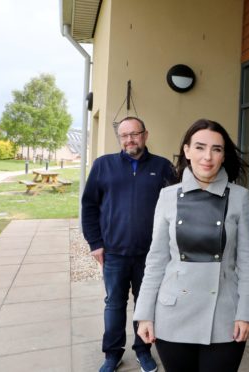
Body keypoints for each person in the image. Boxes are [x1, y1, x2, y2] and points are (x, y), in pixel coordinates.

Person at [133, 119, 249, 372]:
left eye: (217, 149)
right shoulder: (168, 196)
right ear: (187, 151)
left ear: (224, 156)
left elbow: (247, 263)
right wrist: (144, 313)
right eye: (200, 147)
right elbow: (156, 260)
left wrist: (247, 312)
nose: (208, 157)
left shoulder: (239, 197)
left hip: (224, 316)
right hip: (173, 314)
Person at [82, 116, 175, 372]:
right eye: (124, 135)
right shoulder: (103, 165)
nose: (129, 139)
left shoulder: (163, 167)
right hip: (114, 253)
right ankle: (112, 354)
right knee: (114, 304)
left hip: (151, 255)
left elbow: (175, 209)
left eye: (134, 134)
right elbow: (89, 206)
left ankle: (143, 351)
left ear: (145, 135)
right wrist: (95, 243)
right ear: (119, 138)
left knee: (145, 305)